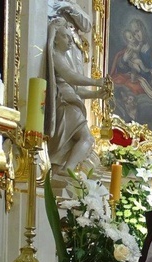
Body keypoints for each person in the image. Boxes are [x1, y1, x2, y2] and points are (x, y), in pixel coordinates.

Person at [46, 18, 109, 175]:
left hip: (70, 101)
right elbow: (71, 77)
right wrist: (96, 82)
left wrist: (96, 94)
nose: (70, 40)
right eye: (66, 36)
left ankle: (65, 168)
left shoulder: (64, 58)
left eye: (70, 36)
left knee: (78, 141)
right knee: (87, 139)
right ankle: (69, 169)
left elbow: (75, 89)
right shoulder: (55, 55)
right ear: (55, 39)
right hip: (65, 104)